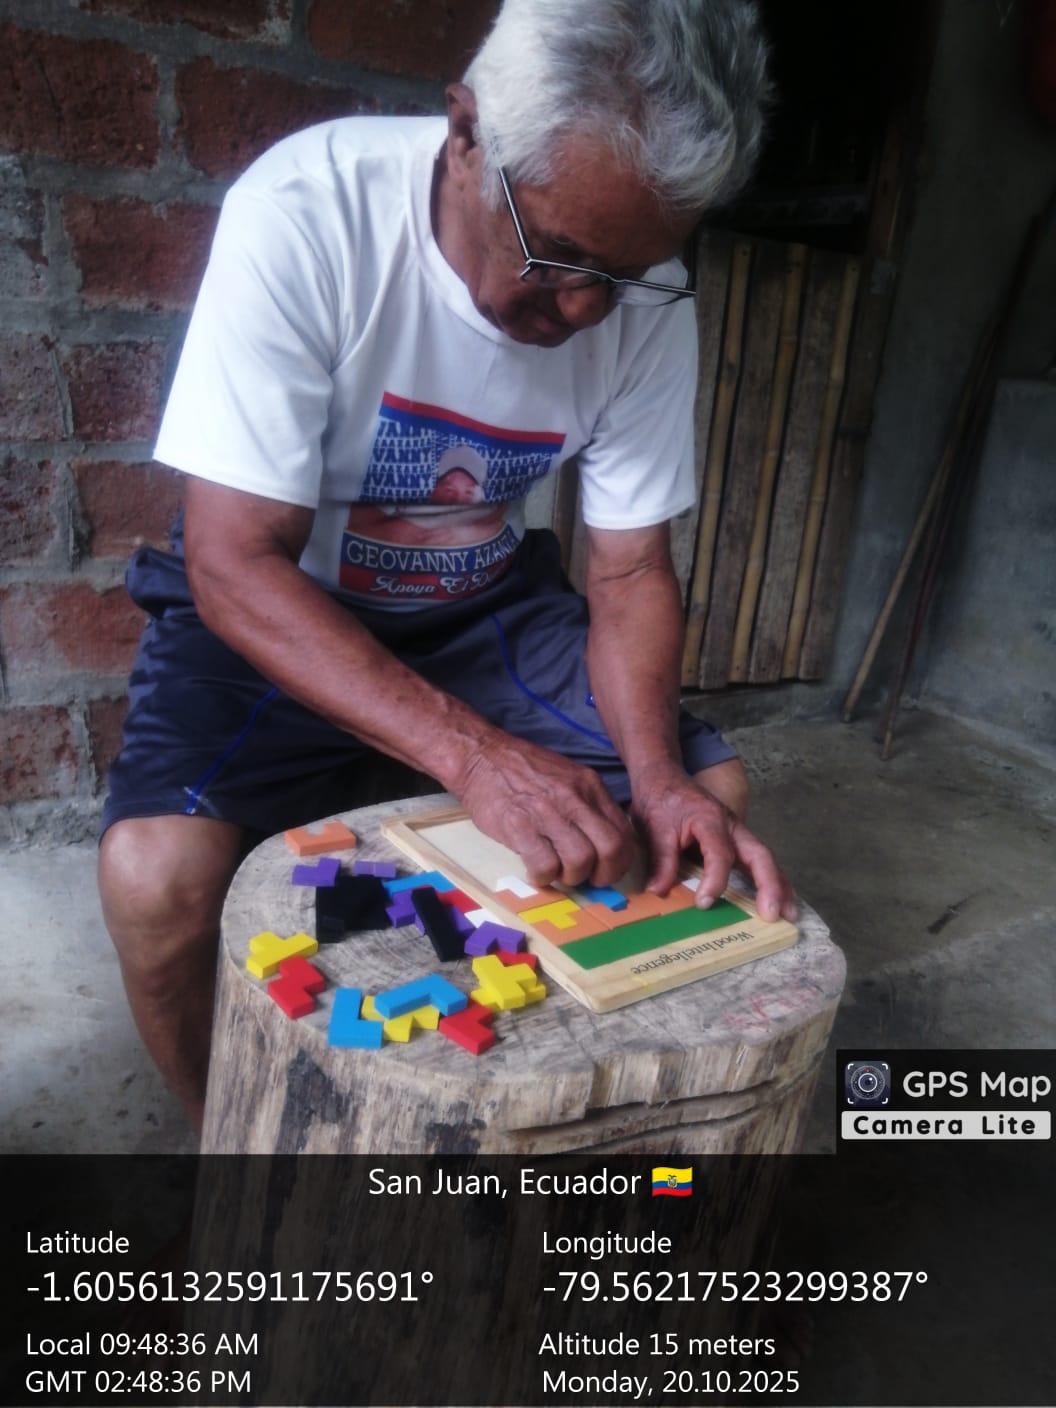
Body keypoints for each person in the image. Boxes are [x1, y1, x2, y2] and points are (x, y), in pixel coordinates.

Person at [99, 0, 796, 1134]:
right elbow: (232, 563)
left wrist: (658, 773)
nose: (585, 309)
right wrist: (477, 759)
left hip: (481, 606)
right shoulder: (308, 213)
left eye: (622, 275)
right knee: (155, 884)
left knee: (699, 809)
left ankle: (521, 1116)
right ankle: (234, 1154)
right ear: (466, 134)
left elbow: (628, 573)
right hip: (284, 602)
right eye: (560, 256)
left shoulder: (641, 295)